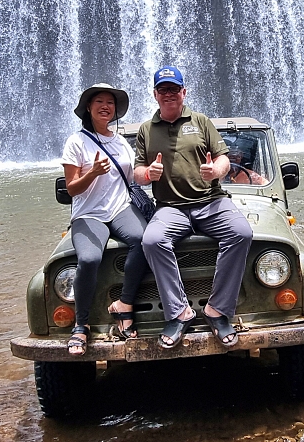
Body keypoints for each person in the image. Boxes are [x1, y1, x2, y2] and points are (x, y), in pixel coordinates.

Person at [134, 66, 254, 349]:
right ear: (155, 95)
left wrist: (216, 171)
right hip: (170, 207)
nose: (169, 94)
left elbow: (223, 158)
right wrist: (147, 174)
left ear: (183, 92)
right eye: (163, 90)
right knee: (151, 240)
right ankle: (179, 312)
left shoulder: (201, 121)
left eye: (174, 89)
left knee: (241, 233)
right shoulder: (146, 130)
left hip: (211, 201)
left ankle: (218, 310)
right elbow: (137, 172)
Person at [60, 83, 150, 356]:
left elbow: (133, 176)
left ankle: (125, 305)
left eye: (110, 102)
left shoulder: (121, 141)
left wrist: (153, 172)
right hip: (89, 214)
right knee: (89, 259)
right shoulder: (76, 141)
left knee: (145, 240)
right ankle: (81, 324)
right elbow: (72, 188)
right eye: (99, 101)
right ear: (88, 107)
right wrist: (92, 173)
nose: (105, 106)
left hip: (120, 209)